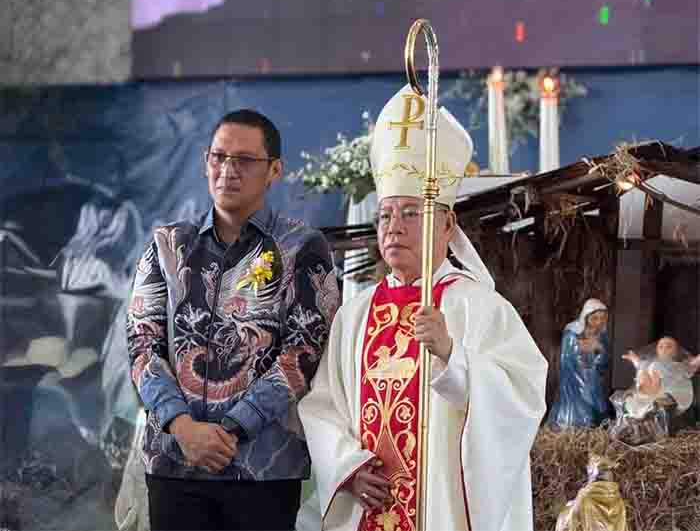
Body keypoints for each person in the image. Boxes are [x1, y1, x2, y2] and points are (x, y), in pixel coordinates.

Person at [297, 86, 548, 531]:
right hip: (369, 509)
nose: (393, 227)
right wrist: (348, 468)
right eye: (385, 215)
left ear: (447, 225)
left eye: (411, 213)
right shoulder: (354, 316)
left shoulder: (480, 307)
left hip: (441, 510)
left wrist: (454, 356)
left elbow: (523, 397)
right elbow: (322, 406)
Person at [126, 109, 340, 531]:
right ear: (205, 161)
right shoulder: (168, 245)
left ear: (274, 170)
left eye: (244, 160)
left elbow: (303, 352)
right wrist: (183, 428)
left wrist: (230, 430)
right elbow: (142, 343)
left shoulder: (301, 247)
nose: (228, 170)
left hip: (263, 467)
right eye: (219, 157)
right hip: (175, 463)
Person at [609, 336, 699, 444]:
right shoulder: (652, 363)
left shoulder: (678, 366)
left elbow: (692, 365)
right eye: (661, 346)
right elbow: (640, 365)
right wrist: (634, 359)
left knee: (656, 404)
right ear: (657, 350)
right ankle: (634, 427)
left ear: (676, 351)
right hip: (650, 393)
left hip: (668, 393)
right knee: (631, 402)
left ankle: (649, 427)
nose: (664, 349)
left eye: (669, 346)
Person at [548, 299, 610, 429]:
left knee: (594, 404)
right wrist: (583, 349)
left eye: (602, 318)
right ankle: (574, 424)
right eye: (595, 318)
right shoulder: (572, 333)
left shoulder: (601, 335)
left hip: (593, 378)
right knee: (578, 403)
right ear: (586, 317)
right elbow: (567, 357)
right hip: (574, 379)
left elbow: (604, 360)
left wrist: (599, 350)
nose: (599, 322)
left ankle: (592, 425)